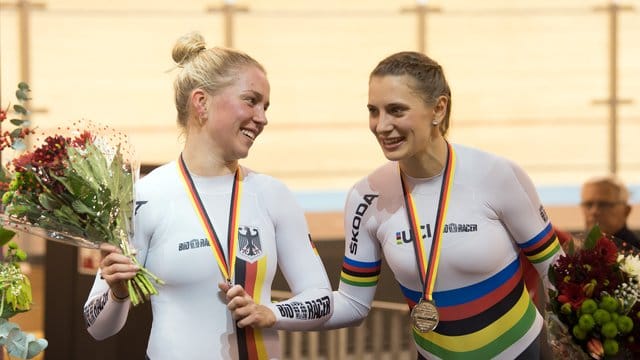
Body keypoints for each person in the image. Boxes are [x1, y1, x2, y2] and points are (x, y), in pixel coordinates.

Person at [83, 32, 333, 360]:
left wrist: (273, 313)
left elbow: (322, 299)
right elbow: (96, 325)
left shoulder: (272, 195)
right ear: (202, 102)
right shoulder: (144, 196)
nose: (262, 118)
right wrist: (117, 293)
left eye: (265, 106)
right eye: (251, 100)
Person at [320, 51, 564, 359]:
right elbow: (352, 303)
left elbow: (558, 275)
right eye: (373, 111)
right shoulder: (365, 196)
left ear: (438, 108)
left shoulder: (497, 175)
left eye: (396, 110)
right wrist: (273, 313)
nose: (381, 126)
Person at [581, 175, 639, 251]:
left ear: (626, 210)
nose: (594, 211)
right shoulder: (578, 251)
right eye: (588, 204)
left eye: (603, 204)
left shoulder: (635, 254)